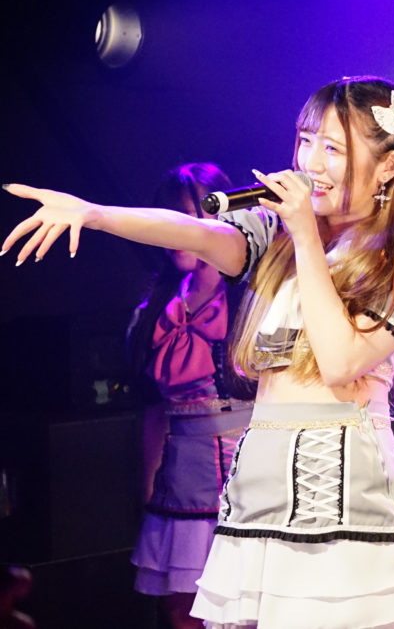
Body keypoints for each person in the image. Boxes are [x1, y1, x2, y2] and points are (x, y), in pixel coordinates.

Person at [1, 76, 394, 628]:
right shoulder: (276, 232)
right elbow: (193, 232)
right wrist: (96, 213)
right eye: (305, 141)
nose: (309, 162)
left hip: (344, 491)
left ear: (388, 166)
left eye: (333, 148)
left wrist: (306, 237)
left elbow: (340, 362)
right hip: (258, 491)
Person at [127, 163, 256, 629]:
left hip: (254, 478)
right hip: (182, 486)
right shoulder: (154, 311)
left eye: (190, 216)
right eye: (169, 218)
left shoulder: (255, 298)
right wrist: (148, 487)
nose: (176, 231)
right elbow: (155, 410)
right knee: (184, 613)